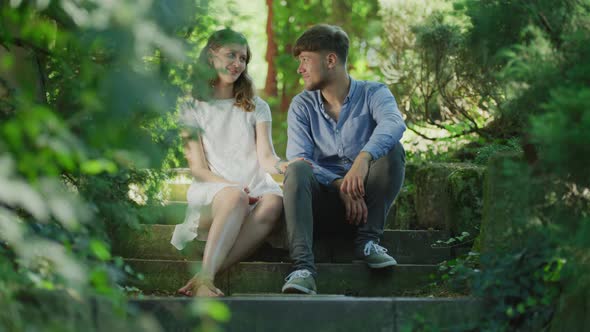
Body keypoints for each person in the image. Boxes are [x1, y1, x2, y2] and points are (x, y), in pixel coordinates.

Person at [170, 28, 303, 297]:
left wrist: (283, 167)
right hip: (214, 189)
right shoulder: (191, 107)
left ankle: (205, 276)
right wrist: (233, 187)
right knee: (235, 197)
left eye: (243, 58)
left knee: (274, 202)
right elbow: (198, 168)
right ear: (211, 56)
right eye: (231, 55)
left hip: (255, 185)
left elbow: (266, 157)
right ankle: (205, 278)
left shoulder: (256, 105)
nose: (238, 64)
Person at [281, 24, 406, 295]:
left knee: (392, 148)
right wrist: (339, 183)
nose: (300, 69)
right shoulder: (302, 106)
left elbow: (394, 123)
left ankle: (368, 243)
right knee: (297, 168)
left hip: (366, 208)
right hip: (321, 206)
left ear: (330, 60)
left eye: (305, 60)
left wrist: (363, 158)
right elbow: (299, 158)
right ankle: (303, 268)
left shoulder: (374, 93)